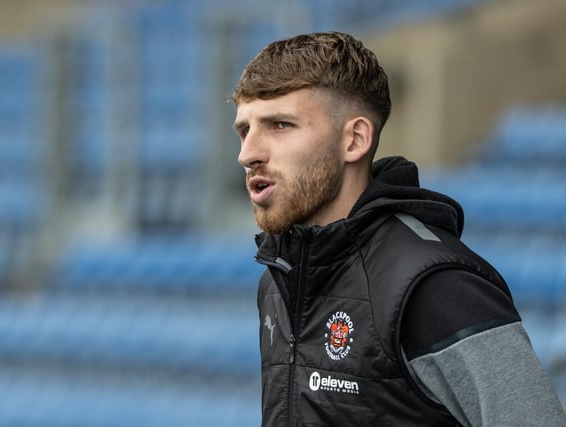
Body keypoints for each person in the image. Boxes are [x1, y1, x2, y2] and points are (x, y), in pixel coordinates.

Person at [231, 31, 566, 426]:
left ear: (354, 140)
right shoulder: (280, 276)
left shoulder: (434, 285)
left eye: (280, 125)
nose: (248, 154)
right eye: (244, 130)